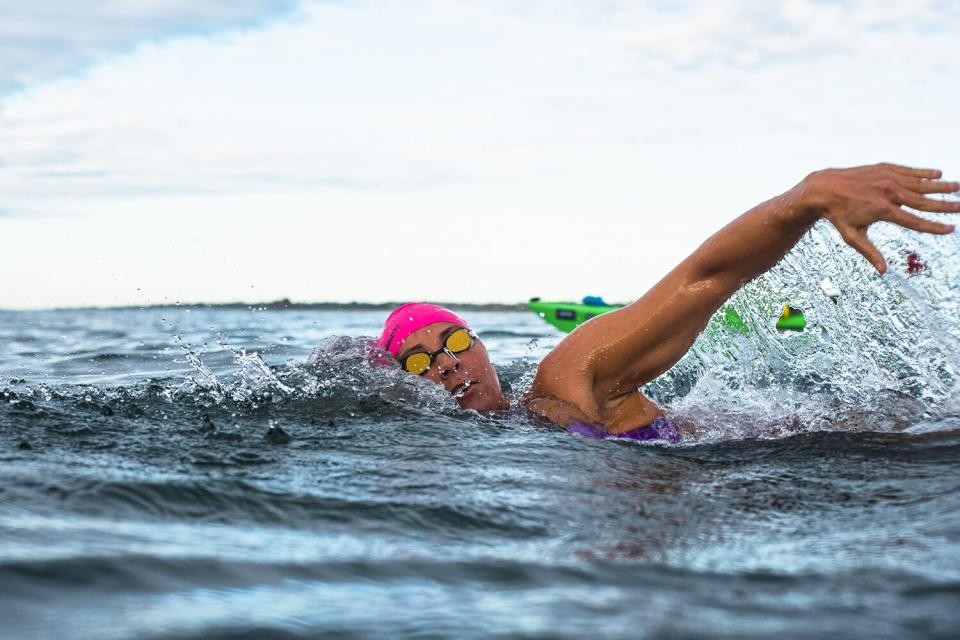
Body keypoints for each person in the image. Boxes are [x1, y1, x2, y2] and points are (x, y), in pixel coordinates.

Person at [374, 163, 960, 442]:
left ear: (479, 346)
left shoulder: (567, 376)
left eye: (452, 343)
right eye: (418, 361)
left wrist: (806, 199)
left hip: (823, 444)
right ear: (403, 387)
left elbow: (705, 279)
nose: (446, 363)